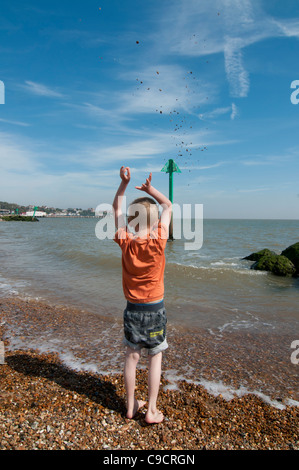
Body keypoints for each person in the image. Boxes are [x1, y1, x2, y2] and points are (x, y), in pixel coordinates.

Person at [113, 166, 172, 424]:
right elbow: (168, 205)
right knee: (155, 356)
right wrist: (151, 190)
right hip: (155, 308)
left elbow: (116, 209)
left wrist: (124, 184)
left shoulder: (125, 239)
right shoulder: (159, 238)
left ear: (130, 221)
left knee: (131, 357)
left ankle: (130, 406)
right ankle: (151, 410)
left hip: (132, 309)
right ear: (155, 221)